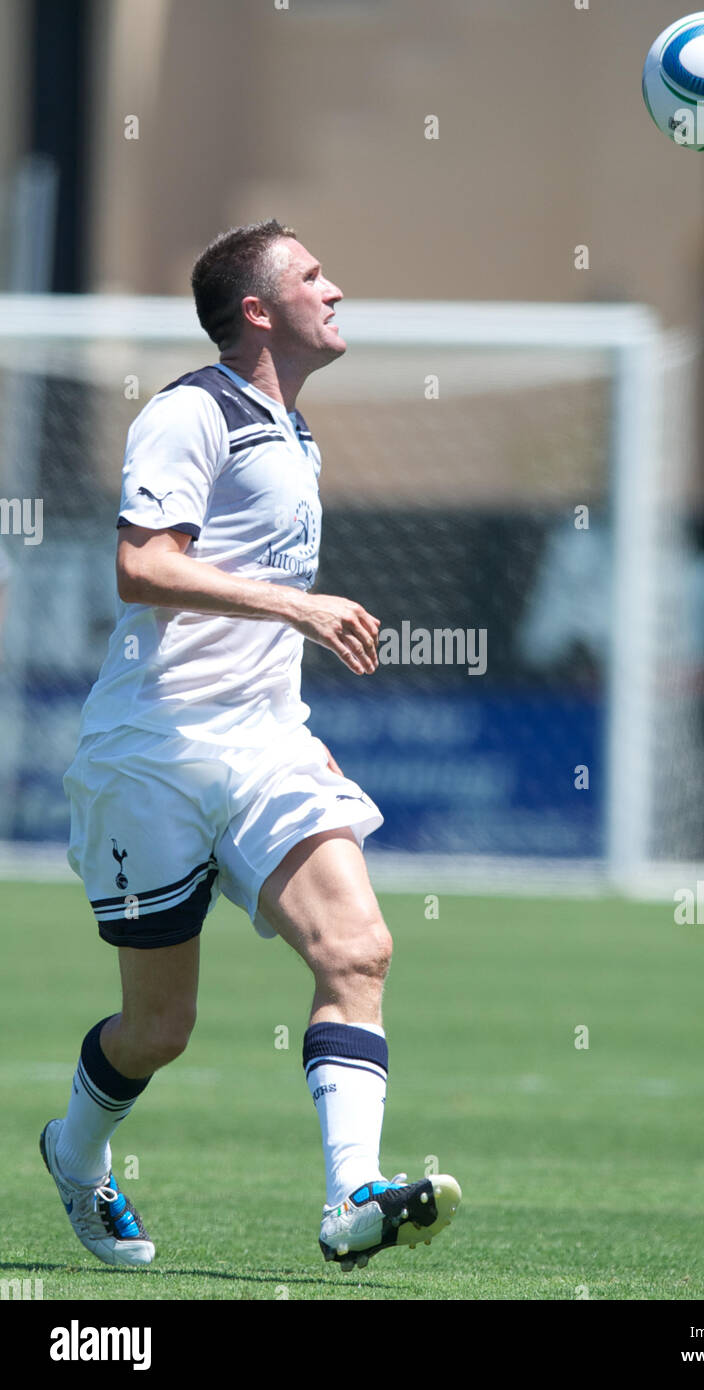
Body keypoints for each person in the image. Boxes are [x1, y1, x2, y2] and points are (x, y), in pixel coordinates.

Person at [41, 219, 460, 1274]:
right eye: (314, 275)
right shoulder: (192, 411)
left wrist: (291, 671)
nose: (337, 289)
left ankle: (349, 1198)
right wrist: (299, 608)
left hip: (266, 745)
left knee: (357, 948)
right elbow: (142, 566)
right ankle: (74, 1147)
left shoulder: (295, 431)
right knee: (160, 1029)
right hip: (152, 753)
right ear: (259, 310)